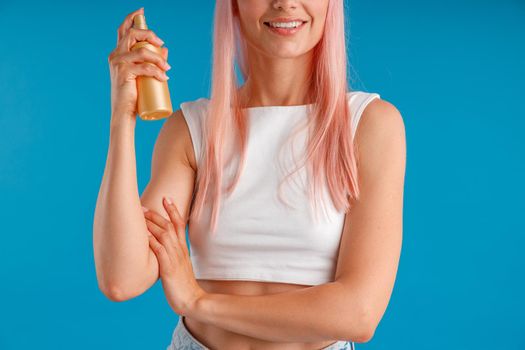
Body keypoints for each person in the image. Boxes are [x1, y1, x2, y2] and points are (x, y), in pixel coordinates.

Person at [94, 1, 406, 349]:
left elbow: (358, 315)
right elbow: (122, 278)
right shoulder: (192, 128)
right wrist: (122, 117)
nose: (286, 3)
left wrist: (199, 302)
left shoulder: (369, 125)